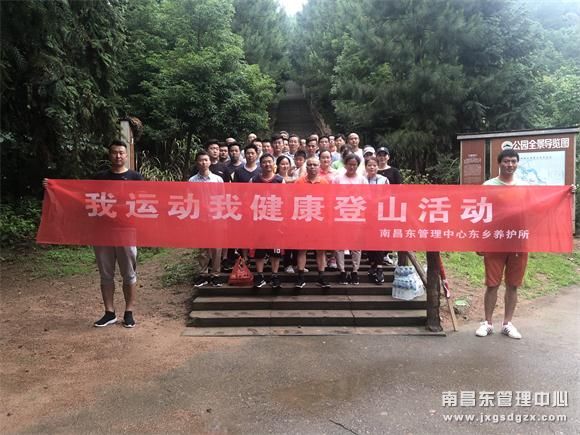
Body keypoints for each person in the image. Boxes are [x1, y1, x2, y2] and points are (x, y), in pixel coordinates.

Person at [43, 139, 143, 328]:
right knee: (106, 274)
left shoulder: (136, 177)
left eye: (121, 153)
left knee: (129, 273)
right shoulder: (99, 177)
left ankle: (129, 312)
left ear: (126, 155)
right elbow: (81, 197)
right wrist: (53, 187)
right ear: (109, 155)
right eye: (114, 152)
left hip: (126, 230)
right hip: (102, 231)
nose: (118, 156)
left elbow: (145, 202)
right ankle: (109, 312)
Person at [189, 150, 224, 288]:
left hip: (216, 217)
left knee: (216, 247)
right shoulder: (192, 181)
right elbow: (189, 199)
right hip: (200, 218)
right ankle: (203, 274)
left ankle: (215, 275)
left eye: (206, 160)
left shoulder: (217, 179)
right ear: (197, 162)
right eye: (201, 160)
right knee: (202, 247)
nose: (203, 163)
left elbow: (223, 198)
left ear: (210, 162)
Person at [294, 157, 331, 288]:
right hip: (303, 221)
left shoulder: (325, 182)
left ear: (319, 166)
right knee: (302, 250)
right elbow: (294, 201)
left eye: (315, 165)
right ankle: (300, 277)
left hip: (319, 222)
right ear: (306, 167)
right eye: (309, 165)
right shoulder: (299, 182)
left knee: (321, 251)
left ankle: (321, 277)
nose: (312, 167)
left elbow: (329, 202)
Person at [250, 154, 285, 289]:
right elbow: (249, 199)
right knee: (259, 250)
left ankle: (274, 275)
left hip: (275, 221)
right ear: (261, 164)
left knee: (275, 251)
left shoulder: (279, 180)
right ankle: (260, 276)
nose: (267, 164)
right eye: (264, 162)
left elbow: (285, 200)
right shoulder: (254, 180)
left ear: (274, 164)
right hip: (259, 220)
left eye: (270, 162)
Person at [332, 154, 368, 284]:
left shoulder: (362, 180)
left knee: (356, 246)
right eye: (349, 164)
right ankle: (342, 271)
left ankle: (355, 271)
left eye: (354, 165)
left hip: (356, 216)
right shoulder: (337, 179)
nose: (352, 167)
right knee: (339, 245)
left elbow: (366, 197)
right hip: (340, 215)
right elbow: (332, 196)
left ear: (357, 166)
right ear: (345, 164)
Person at [364, 157, 389, 284]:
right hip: (365, 214)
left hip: (380, 213)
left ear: (378, 167)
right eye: (369, 165)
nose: (372, 167)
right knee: (368, 240)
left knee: (378, 240)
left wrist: (376, 201)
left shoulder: (384, 180)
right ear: (366, 167)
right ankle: (373, 264)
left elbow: (388, 195)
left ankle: (379, 268)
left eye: (374, 165)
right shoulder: (362, 180)